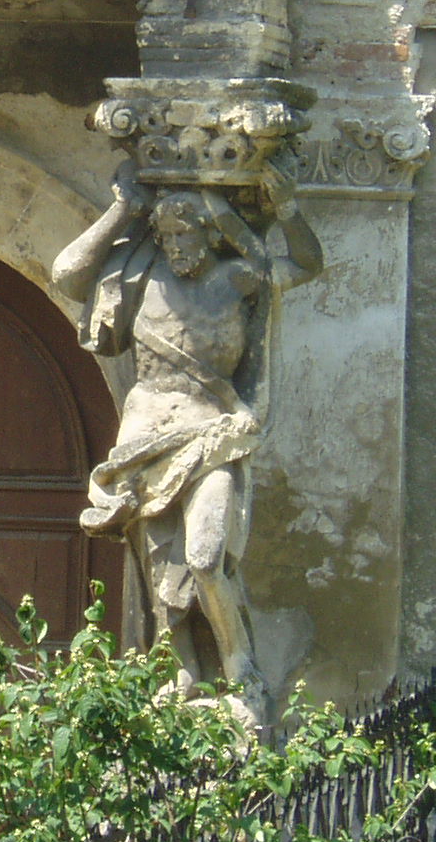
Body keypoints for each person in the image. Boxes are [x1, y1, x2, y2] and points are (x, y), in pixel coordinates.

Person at [52, 159, 322, 720]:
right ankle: (183, 675)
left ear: (210, 233)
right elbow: (68, 276)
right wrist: (123, 209)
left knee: (203, 556)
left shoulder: (239, 278)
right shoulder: (139, 278)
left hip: (211, 433)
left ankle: (241, 671)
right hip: (146, 436)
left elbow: (303, 264)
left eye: (185, 235)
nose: (175, 246)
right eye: (167, 236)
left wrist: (288, 209)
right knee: (158, 569)